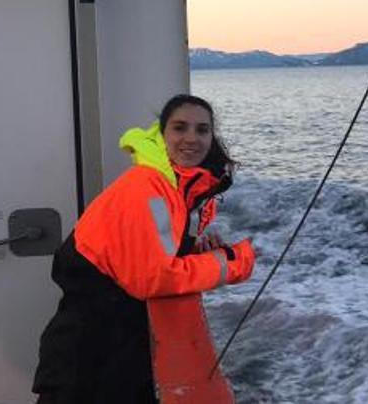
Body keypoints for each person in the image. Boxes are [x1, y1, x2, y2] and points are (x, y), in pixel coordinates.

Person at [32, 94, 256, 403]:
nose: (191, 138)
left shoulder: (173, 188)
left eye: (202, 130)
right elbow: (153, 278)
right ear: (162, 135)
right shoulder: (148, 187)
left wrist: (191, 254)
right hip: (89, 354)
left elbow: (148, 252)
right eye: (180, 128)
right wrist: (231, 262)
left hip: (118, 343)